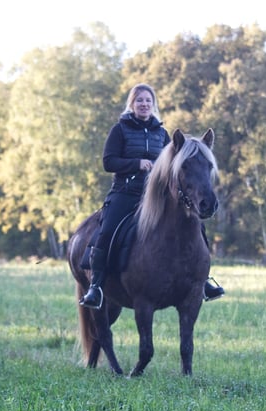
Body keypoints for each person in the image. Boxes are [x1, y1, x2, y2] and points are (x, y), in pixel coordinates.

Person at [80, 83, 225, 309]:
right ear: (132, 104)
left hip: (158, 196)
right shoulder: (120, 130)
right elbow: (108, 162)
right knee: (108, 229)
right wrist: (137, 164)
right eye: (139, 100)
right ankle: (96, 286)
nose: (144, 104)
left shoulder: (161, 133)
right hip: (126, 193)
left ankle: (203, 280)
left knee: (196, 223)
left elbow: (174, 165)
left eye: (148, 100)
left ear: (153, 104)